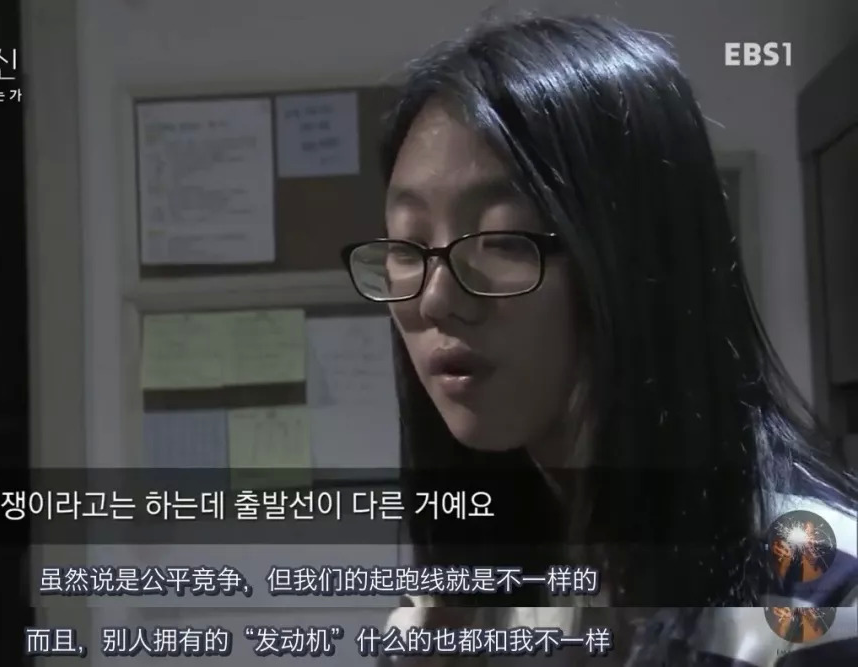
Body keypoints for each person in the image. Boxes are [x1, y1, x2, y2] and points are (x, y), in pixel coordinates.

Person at [339, 14, 858, 666]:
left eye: (502, 240)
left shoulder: (818, 586)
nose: (436, 299)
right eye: (408, 245)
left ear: (640, 259)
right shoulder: (472, 591)